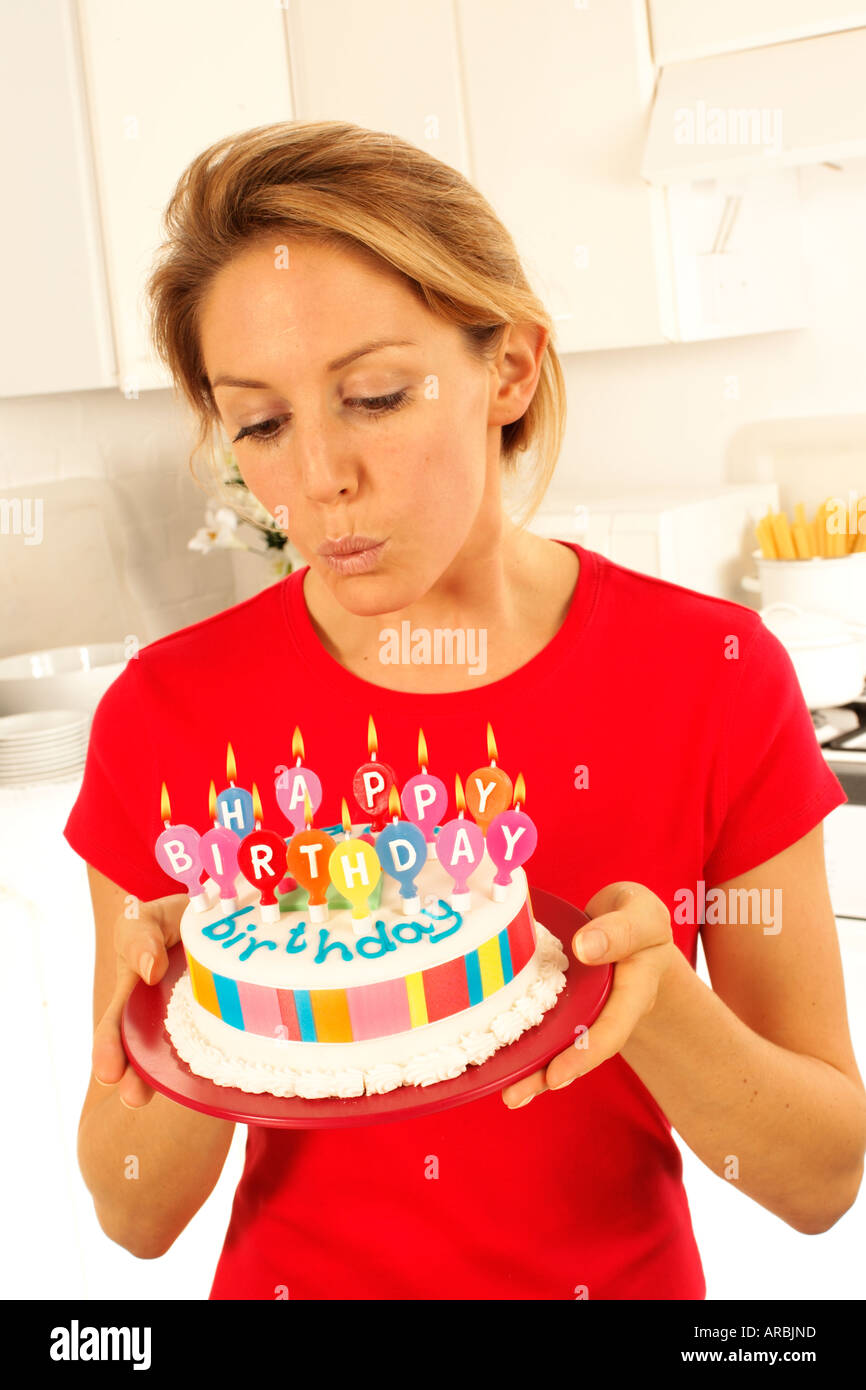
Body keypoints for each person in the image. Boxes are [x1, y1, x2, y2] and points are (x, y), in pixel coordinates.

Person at [65, 120, 866, 1301]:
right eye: (261, 424)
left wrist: (653, 1002)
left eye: (374, 396)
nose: (319, 477)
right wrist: (187, 1014)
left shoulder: (709, 672)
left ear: (509, 369)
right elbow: (134, 1214)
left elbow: (818, 1183)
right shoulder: (170, 713)